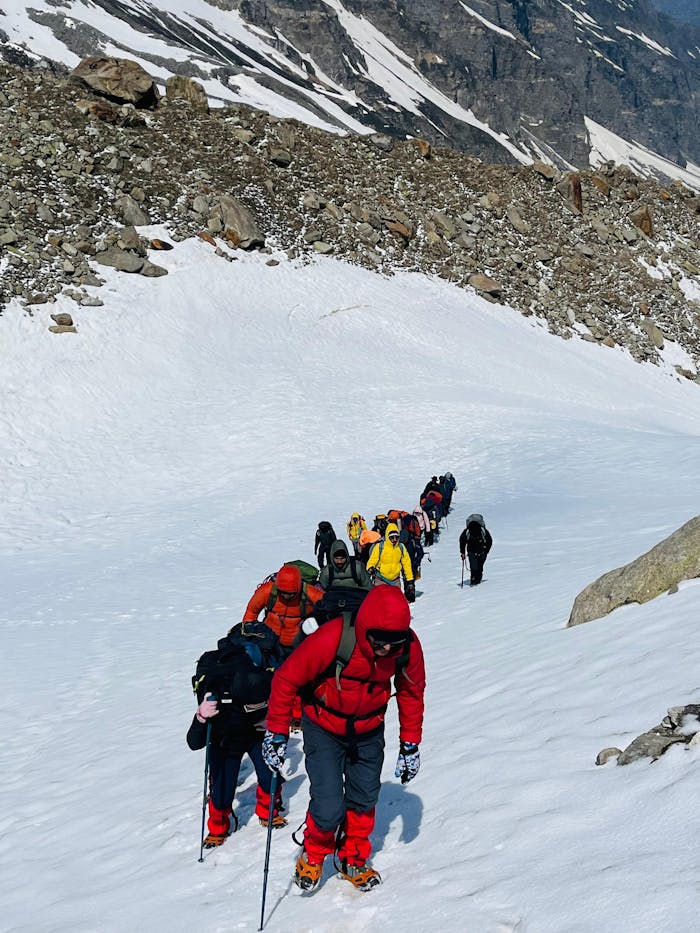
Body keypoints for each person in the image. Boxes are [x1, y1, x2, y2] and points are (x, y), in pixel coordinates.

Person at [262, 585, 425, 892]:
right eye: (380, 642)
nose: (387, 651)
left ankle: (353, 857)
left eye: (394, 643)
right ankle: (313, 853)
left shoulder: (406, 646)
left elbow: (411, 691)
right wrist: (277, 732)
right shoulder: (335, 636)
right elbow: (286, 679)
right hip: (323, 726)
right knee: (328, 803)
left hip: (368, 729)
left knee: (364, 797)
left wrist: (410, 744)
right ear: (365, 629)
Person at [187, 638, 284, 847]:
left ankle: (269, 812)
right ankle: (218, 827)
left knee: (269, 773)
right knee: (221, 789)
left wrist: (270, 720)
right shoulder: (215, 699)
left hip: (254, 734)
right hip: (225, 740)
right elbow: (193, 743)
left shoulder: (261, 684)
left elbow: (280, 706)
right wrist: (201, 718)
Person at [241, 563, 324, 654]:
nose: (286, 596)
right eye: (282, 592)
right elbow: (252, 612)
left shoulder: (310, 594)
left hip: (296, 646)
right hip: (268, 642)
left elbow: (328, 607)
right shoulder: (267, 591)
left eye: (291, 594)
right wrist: (248, 635)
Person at [366, 522, 415, 601]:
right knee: (381, 601)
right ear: (387, 537)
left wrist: (410, 580)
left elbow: (407, 564)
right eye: (392, 537)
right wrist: (371, 568)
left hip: (395, 580)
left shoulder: (401, 547)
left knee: (396, 601)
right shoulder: (380, 547)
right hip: (381, 579)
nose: (394, 540)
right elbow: (371, 561)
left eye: (396, 537)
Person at [459, 513, 493, 586]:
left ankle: (476, 581)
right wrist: (486, 550)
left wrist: (462, 552)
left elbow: (462, 541)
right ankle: (475, 581)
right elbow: (489, 541)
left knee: (476, 567)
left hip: (477, 551)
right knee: (477, 567)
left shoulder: (468, 531)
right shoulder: (481, 531)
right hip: (478, 551)